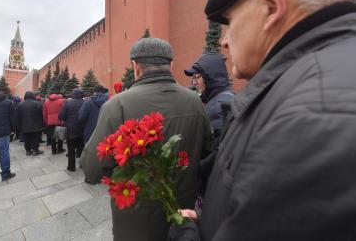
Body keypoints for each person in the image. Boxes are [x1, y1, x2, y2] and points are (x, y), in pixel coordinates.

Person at [169, 0, 356, 240]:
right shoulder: (314, 82)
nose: (224, 41)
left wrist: (185, 231)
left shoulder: (314, 120)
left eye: (230, 21)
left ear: (272, 7)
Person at [80, 38, 213, 241]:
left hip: (135, 224)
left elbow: (92, 169)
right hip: (183, 221)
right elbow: (208, 151)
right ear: (171, 65)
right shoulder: (194, 101)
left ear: (135, 67)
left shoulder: (117, 106)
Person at [184, 53, 234, 197]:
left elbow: (218, 154)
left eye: (198, 76)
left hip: (213, 189)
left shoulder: (218, 106)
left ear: (211, 77)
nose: (194, 82)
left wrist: (194, 171)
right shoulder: (224, 98)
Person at [58, 88, 85, 172]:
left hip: (71, 130)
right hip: (83, 129)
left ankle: (71, 167)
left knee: (71, 149)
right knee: (83, 147)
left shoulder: (68, 103)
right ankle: (83, 164)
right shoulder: (86, 102)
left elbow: (61, 116)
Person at [16, 91, 44, 156]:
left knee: (26, 139)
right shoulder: (38, 103)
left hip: (24, 125)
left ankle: (28, 151)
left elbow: (17, 116)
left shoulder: (20, 105)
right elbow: (41, 114)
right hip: (36, 125)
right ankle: (35, 150)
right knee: (35, 138)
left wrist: (19, 125)